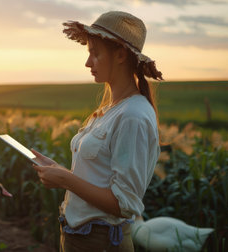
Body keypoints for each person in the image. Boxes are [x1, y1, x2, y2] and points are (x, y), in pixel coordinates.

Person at [32, 11, 163, 252]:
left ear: (121, 55)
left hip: (102, 242)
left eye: (95, 53)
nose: (88, 62)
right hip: (79, 236)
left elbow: (123, 203)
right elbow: (97, 176)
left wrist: (66, 180)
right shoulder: (110, 110)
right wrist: (60, 171)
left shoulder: (132, 116)